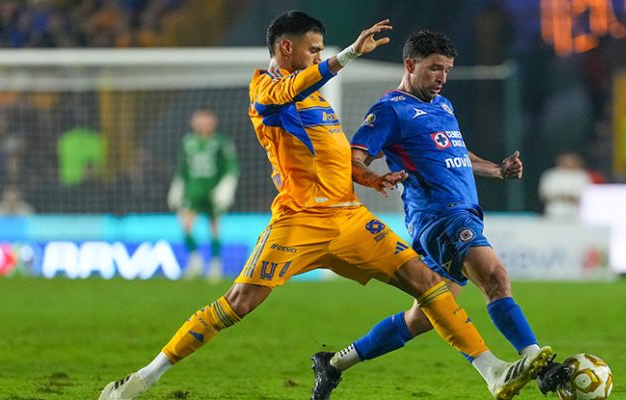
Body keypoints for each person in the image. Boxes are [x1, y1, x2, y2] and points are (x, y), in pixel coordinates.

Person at [99, 11, 552, 400]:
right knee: (238, 302)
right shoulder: (264, 91)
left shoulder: (318, 100)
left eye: (321, 50)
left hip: (350, 218)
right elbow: (286, 93)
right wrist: (348, 54)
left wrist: (373, 178)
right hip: (300, 222)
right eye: (313, 49)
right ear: (285, 48)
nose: (318, 55)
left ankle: (492, 370)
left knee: (429, 284)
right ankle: (144, 378)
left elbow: (340, 159)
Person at [311, 30, 566, 400]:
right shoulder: (390, 110)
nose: (441, 78)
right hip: (438, 217)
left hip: (462, 214)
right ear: (410, 65)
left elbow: (457, 152)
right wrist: (375, 178)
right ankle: (539, 364)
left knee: (424, 316)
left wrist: (496, 169)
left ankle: (333, 364)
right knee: (494, 277)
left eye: (446, 70)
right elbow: (354, 157)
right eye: (434, 69)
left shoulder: (443, 106)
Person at [167, 109, 239, 281]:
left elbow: (231, 167)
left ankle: (215, 264)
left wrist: (226, 188)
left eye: (206, 121)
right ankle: (195, 260)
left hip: (213, 191)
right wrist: (177, 188)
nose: (203, 125)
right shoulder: (188, 142)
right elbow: (182, 168)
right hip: (194, 190)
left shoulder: (221, 142)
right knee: (186, 225)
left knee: (214, 226)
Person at [538, 151, 592, 222]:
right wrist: (565, 197)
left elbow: (586, 196)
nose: (568, 162)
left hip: (576, 213)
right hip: (554, 211)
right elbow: (545, 194)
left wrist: (566, 197)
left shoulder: (582, 176)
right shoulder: (551, 175)